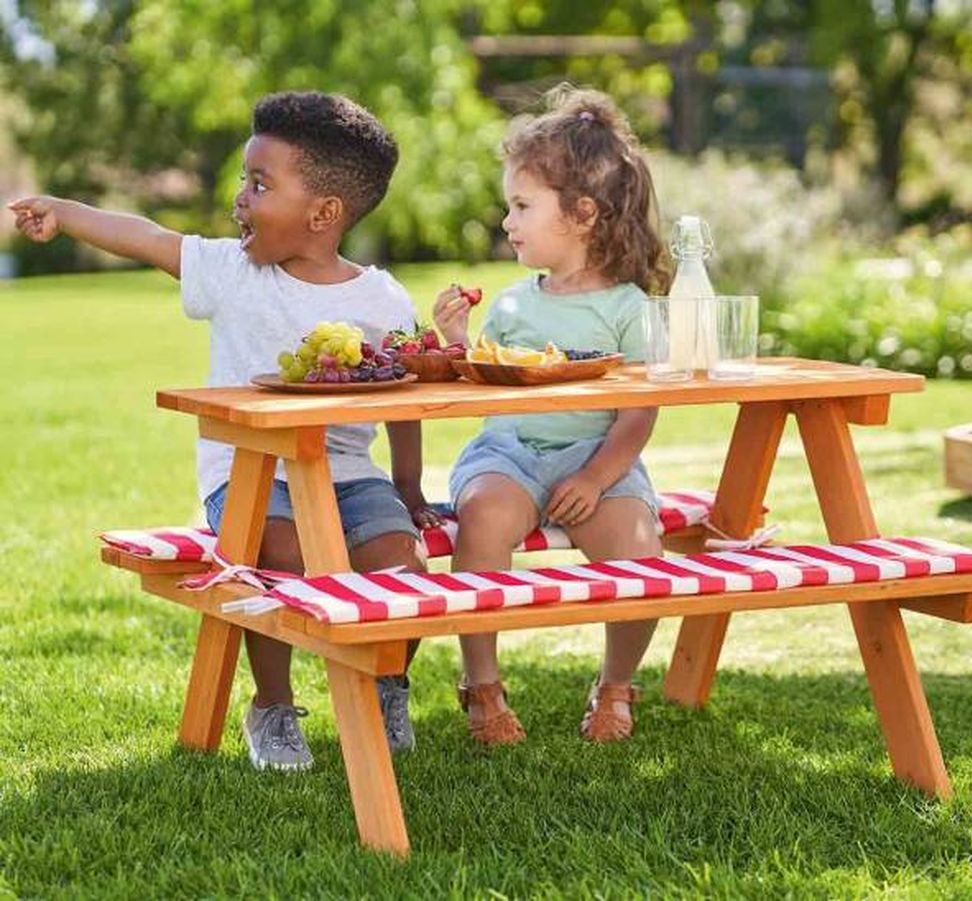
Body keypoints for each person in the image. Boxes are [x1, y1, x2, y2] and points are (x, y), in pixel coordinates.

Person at [9, 91, 440, 770]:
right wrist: (63, 214)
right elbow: (148, 235)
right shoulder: (233, 274)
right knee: (283, 553)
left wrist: (409, 487)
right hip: (248, 476)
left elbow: (407, 392)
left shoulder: (381, 299)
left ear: (324, 213)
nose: (240, 197)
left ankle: (387, 679)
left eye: (260, 184)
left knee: (403, 568)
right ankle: (272, 705)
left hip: (350, 476)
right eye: (245, 179)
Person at [433, 86, 669, 745]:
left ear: (583, 214)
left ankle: (617, 682)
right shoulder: (512, 305)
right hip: (509, 453)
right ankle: (482, 683)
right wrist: (456, 342)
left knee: (641, 547)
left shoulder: (628, 309)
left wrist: (595, 479)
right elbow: (484, 381)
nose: (508, 221)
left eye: (522, 205)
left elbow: (638, 413)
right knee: (482, 516)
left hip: (597, 458)